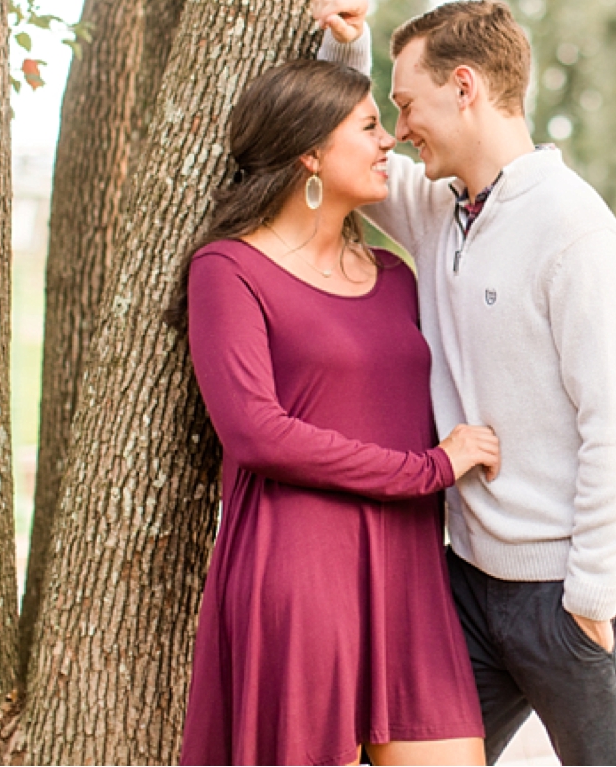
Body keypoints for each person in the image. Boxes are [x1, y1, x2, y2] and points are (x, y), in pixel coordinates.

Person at [308, 0, 616, 766]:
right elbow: (349, 161)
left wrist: (593, 595)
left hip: (572, 592)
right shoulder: (440, 208)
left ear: (463, 88)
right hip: (465, 588)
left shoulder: (576, 231)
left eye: (407, 106)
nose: (397, 132)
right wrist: (343, 46)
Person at [167, 52, 501, 766]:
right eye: (370, 126)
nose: (390, 142)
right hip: (301, 573)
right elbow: (258, 433)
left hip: (411, 574)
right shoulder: (228, 270)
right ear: (311, 153)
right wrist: (432, 468)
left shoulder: (391, 276)